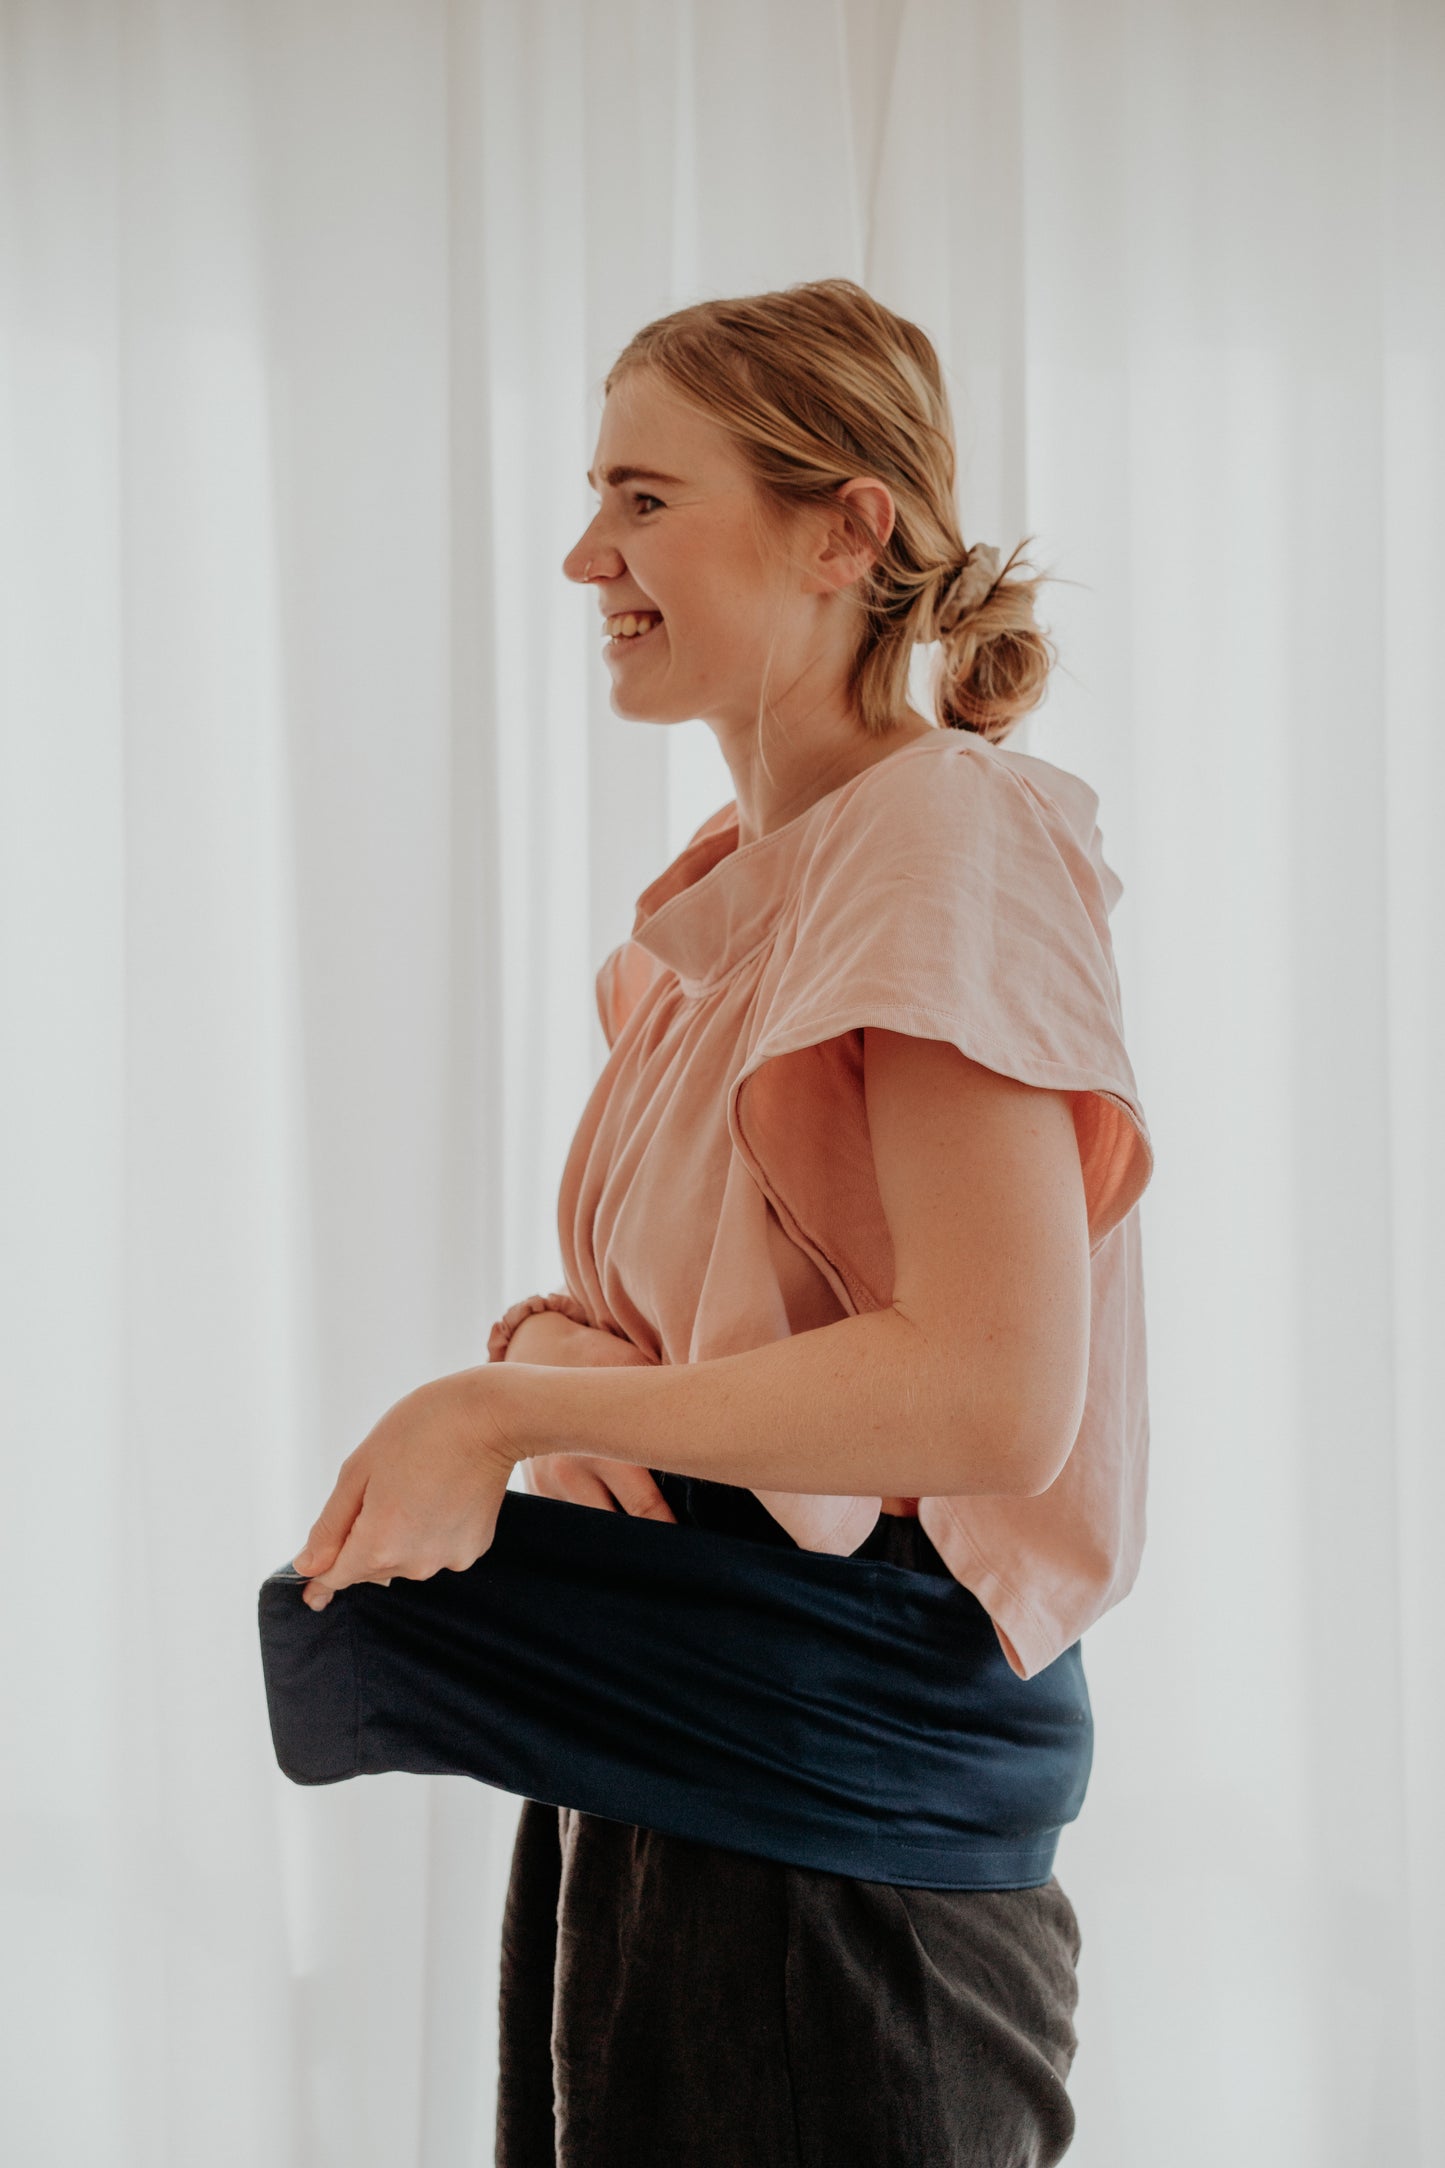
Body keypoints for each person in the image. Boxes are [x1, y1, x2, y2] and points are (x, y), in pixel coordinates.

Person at [291, 277, 1154, 2166]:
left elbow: (993, 1395)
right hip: (678, 1765)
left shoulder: (944, 838)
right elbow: (717, 1330)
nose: (587, 552)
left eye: (645, 496)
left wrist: (495, 1415)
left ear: (846, 526)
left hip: (843, 1829)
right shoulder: (727, 903)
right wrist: (555, 1367)